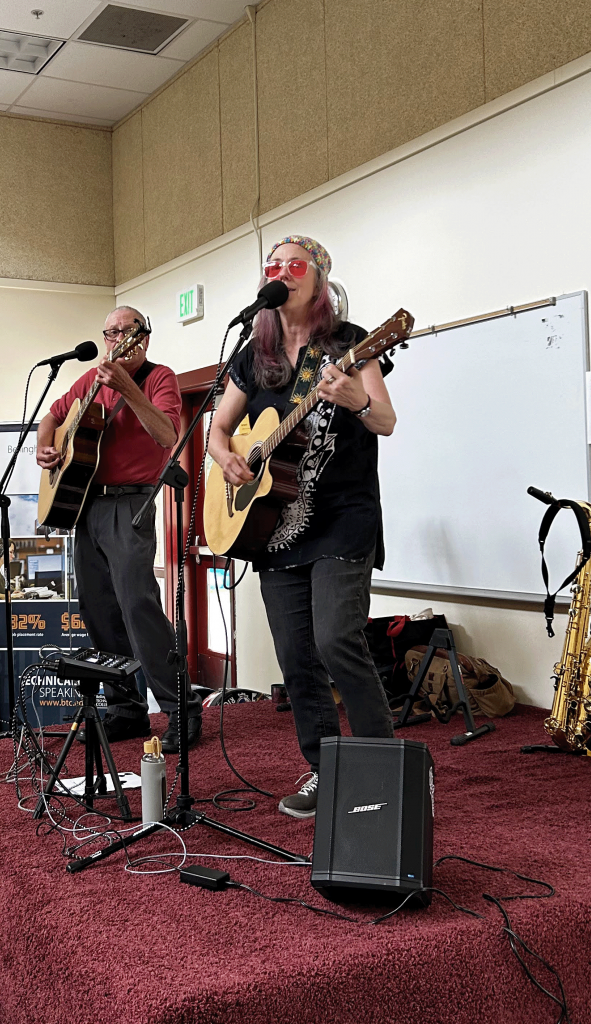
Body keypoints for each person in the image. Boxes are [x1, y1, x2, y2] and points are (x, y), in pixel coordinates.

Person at [208, 235, 396, 818]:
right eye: (274, 266)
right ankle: (323, 766)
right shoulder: (252, 354)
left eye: (295, 266)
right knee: (295, 655)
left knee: (337, 637)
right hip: (274, 527)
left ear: (319, 279)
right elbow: (217, 430)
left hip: (343, 517)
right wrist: (227, 458)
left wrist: (355, 399)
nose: (282, 274)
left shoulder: (351, 343)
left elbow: (386, 420)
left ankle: (383, 765)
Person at [36, 306, 202, 752]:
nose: (115, 339)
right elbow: (53, 415)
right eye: (110, 332)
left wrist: (127, 388)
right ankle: (125, 708)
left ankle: (181, 710)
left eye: (124, 331)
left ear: (142, 337)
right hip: (86, 503)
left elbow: (167, 435)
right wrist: (45, 446)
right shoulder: (88, 379)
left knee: (137, 605)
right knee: (98, 608)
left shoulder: (160, 377)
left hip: (131, 501)